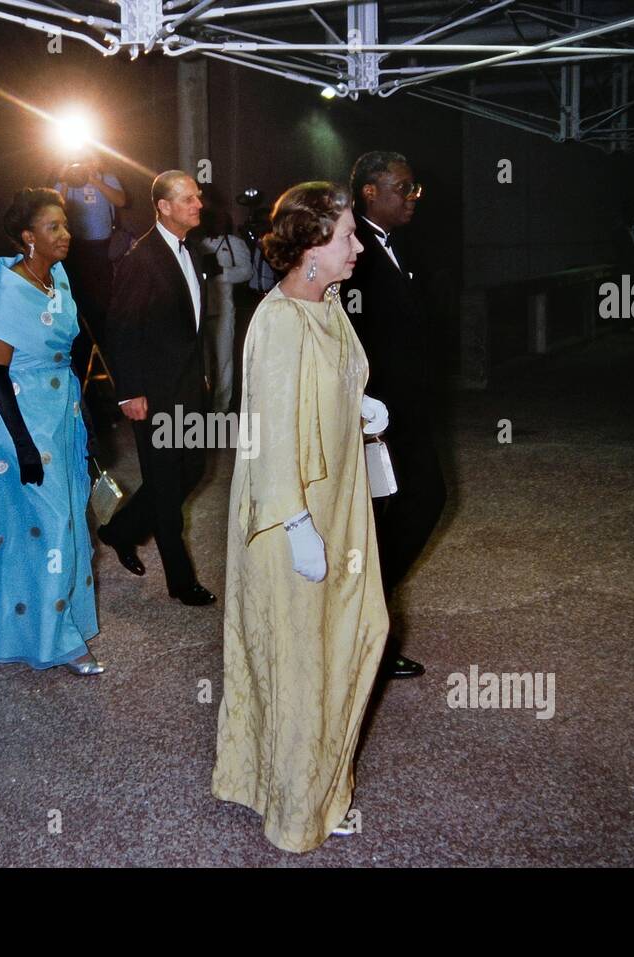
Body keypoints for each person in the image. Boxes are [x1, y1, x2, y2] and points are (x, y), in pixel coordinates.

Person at [211, 181, 388, 853]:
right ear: (313, 245)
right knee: (302, 658)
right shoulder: (278, 322)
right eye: (347, 234)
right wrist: (293, 524)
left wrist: (358, 405)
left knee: (359, 627)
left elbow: (335, 378)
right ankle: (296, 807)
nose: (358, 244)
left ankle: (310, 782)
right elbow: (269, 432)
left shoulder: (328, 303)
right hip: (296, 521)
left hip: (340, 504)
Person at [0, 188, 103, 675]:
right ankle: (59, 644)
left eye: (66, 225)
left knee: (64, 522)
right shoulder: (9, 286)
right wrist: (25, 446)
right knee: (48, 525)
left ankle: (29, 622)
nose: (66, 234)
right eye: (55, 228)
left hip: (60, 411)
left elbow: (69, 354)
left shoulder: (59, 277)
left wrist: (85, 421)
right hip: (19, 415)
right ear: (29, 237)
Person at [340, 150, 444, 680]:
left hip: (405, 408)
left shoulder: (394, 244)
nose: (412, 197)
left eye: (414, 187)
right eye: (403, 188)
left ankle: (365, 628)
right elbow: (351, 336)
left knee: (407, 512)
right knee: (406, 510)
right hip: (380, 417)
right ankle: (361, 633)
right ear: (370, 194)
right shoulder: (354, 248)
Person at [97, 170, 215, 607]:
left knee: (194, 471)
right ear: (163, 206)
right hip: (153, 392)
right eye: (188, 198)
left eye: (198, 197)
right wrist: (129, 392)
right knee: (166, 484)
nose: (198, 204)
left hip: (188, 387)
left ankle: (121, 531)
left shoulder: (193, 254)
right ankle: (181, 582)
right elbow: (121, 329)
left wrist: (201, 374)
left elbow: (190, 328)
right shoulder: (140, 258)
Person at [54, 150, 127, 348]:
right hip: (76, 248)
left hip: (102, 247)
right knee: (78, 298)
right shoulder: (67, 181)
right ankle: (82, 344)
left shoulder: (106, 178)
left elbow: (121, 201)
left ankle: (105, 343)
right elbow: (54, 206)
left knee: (103, 299)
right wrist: (66, 179)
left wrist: (94, 180)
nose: (81, 164)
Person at [195, 207, 252, 413]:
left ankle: (221, 409)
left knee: (224, 363)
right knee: (202, 362)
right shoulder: (198, 245)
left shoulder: (235, 243)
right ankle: (204, 406)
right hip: (200, 312)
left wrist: (221, 272)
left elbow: (247, 272)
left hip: (223, 311)